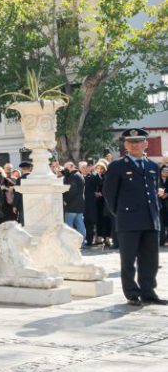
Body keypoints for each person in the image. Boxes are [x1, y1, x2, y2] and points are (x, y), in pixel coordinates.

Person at [102, 129, 166, 306]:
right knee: (128, 260)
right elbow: (109, 194)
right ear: (125, 145)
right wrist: (121, 213)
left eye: (138, 142)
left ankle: (148, 292)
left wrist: (155, 211)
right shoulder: (117, 166)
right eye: (131, 142)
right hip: (128, 220)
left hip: (151, 219)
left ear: (145, 143)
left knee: (150, 260)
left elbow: (153, 192)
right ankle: (132, 293)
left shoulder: (153, 166)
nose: (135, 145)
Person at [62, 161, 87, 247]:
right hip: (79, 204)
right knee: (80, 224)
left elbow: (72, 190)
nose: (65, 169)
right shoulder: (79, 175)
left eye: (66, 168)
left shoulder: (73, 176)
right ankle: (82, 243)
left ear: (71, 166)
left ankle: (70, 244)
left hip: (71, 205)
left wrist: (66, 200)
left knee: (69, 226)